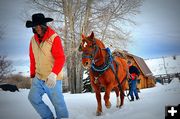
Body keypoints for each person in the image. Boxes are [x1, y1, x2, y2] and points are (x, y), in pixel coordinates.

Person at [26, 13, 69, 119]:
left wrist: (54, 74)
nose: (37, 28)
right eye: (35, 26)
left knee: (58, 103)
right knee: (33, 98)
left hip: (52, 78)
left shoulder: (54, 38)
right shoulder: (33, 40)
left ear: (44, 25)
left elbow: (60, 58)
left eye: (39, 26)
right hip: (39, 77)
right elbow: (32, 59)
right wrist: (32, 76)